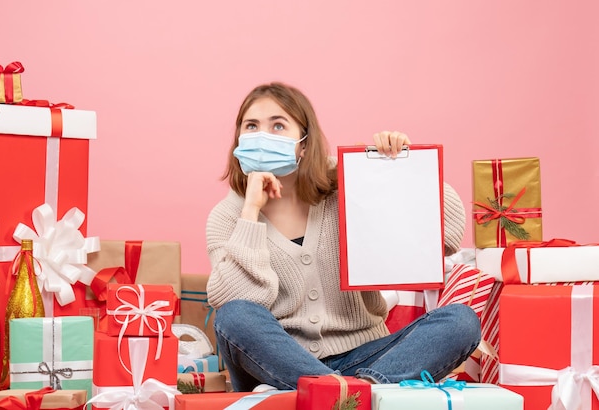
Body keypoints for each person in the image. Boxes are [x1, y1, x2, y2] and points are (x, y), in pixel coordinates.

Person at [206, 82, 481, 392]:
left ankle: (345, 393)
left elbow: (447, 235)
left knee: (461, 321)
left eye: (278, 125)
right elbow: (241, 305)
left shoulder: (346, 181)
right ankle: (349, 394)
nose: (262, 137)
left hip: (365, 358)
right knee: (233, 315)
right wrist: (251, 212)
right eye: (252, 126)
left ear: (304, 144)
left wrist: (399, 167)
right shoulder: (228, 217)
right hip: (277, 365)